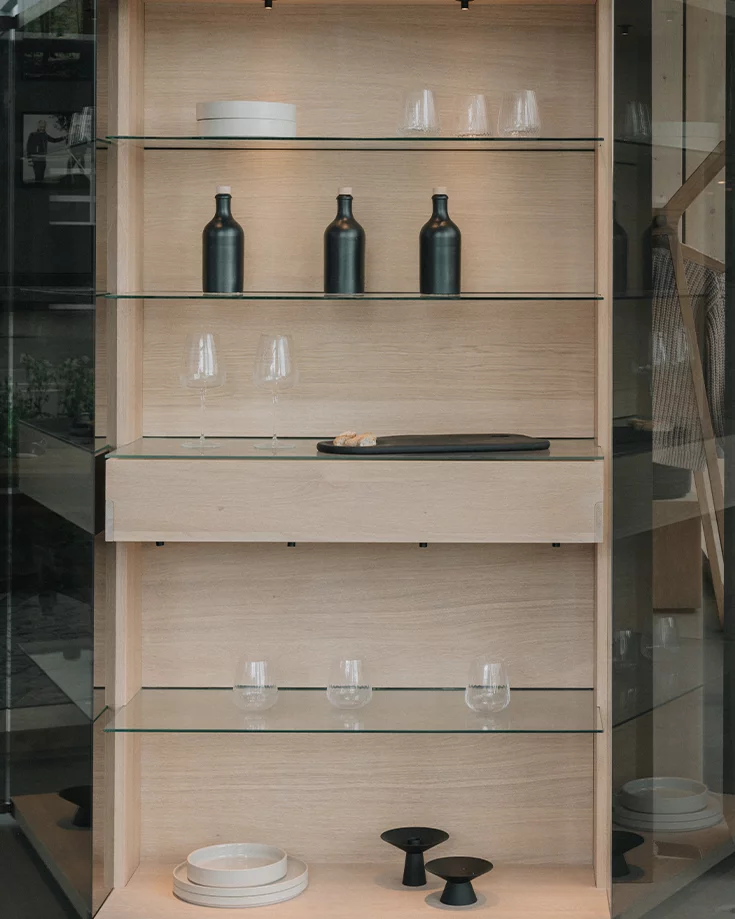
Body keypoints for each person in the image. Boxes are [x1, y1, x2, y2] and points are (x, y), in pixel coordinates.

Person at [26, 118, 66, 183]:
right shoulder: (33, 134)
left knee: (42, 177)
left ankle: (40, 187)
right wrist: (29, 160)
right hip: (35, 159)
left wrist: (63, 138)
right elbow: (29, 147)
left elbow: (54, 140)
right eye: (41, 126)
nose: (42, 128)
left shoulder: (45, 135)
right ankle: (37, 188)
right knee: (38, 177)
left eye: (44, 126)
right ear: (38, 126)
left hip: (43, 158)